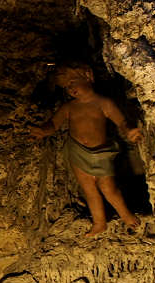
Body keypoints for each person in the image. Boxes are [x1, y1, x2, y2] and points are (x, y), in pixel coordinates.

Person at [30, 62, 143, 237]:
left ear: (88, 76)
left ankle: (126, 215)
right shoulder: (69, 107)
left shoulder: (103, 103)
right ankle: (99, 223)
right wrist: (43, 131)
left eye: (73, 82)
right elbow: (54, 123)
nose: (71, 88)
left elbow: (120, 121)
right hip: (77, 152)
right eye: (67, 86)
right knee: (89, 189)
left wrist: (130, 131)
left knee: (108, 187)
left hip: (100, 154)